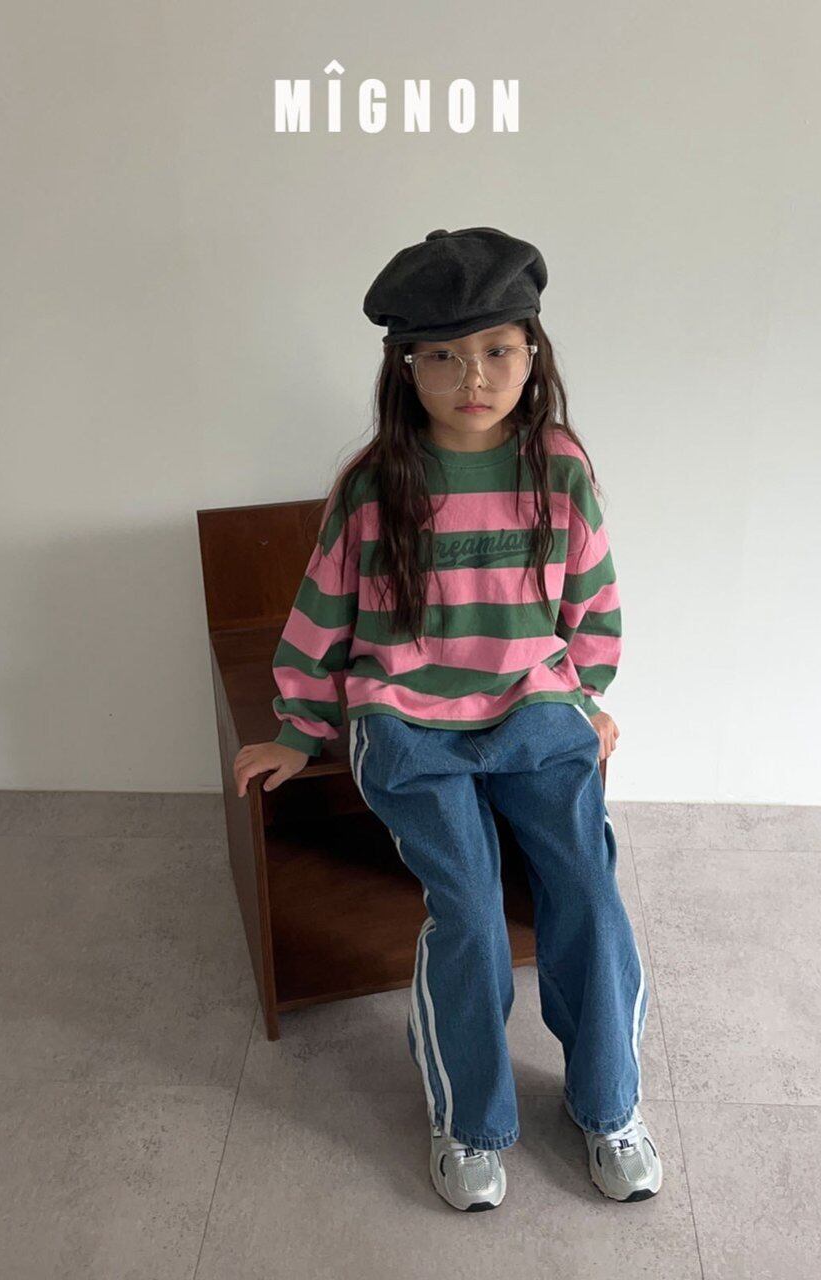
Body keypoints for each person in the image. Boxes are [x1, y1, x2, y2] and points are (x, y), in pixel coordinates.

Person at [233, 227, 662, 1212]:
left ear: (531, 352)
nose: (474, 377)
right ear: (405, 366)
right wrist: (297, 728)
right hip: (407, 723)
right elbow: (320, 614)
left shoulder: (559, 468)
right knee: (467, 909)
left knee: (589, 895)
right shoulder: (374, 483)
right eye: (443, 357)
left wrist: (586, 698)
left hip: (535, 710)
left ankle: (608, 1106)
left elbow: (593, 599)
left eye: (497, 350)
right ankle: (470, 1122)